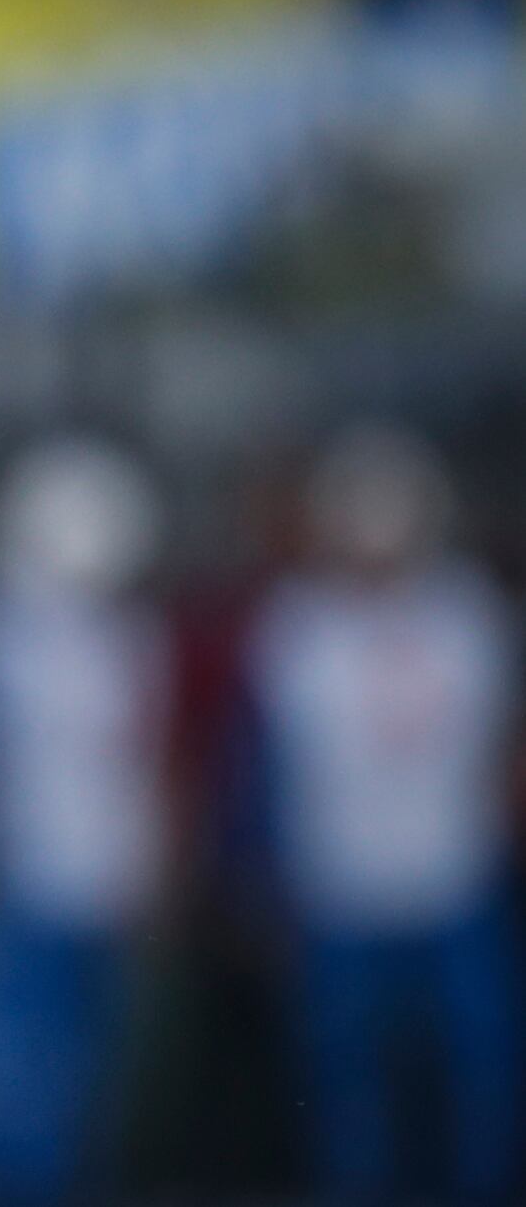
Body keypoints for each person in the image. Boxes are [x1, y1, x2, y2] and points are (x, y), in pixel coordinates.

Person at [247, 424, 519, 1206]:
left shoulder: (467, 615)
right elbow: (268, 771)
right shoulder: (298, 630)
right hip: (343, 901)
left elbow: (501, 750)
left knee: (478, 1102)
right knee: (355, 1117)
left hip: (454, 892)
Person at [0, 438, 170, 1207]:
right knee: (15, 1080)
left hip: (102, 888)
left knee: (88, 1075)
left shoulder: (127, 640)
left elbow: (139, 763)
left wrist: (144, 862)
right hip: (20, 889)